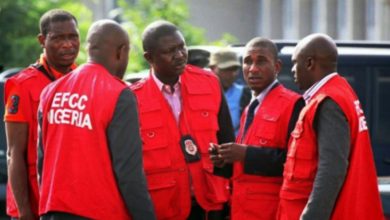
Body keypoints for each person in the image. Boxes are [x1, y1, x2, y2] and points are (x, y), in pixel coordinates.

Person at [37, 20, 156, 220]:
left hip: (52, 210)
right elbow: (128, 172)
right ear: (121, 51)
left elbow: (42, 161)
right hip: (100, 212)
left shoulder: (51, 91)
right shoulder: (119, 94)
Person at [130, 20, 235, 220]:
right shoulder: (133, 98)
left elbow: (227, 142)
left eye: (182, 47)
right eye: (170, 51)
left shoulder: (209, 82)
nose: (179, 55)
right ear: (149, 57)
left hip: (210, 205)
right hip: (164, 208)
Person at [278, 33, 384, 220]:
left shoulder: (328, 101)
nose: (293, 70)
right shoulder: (340, 92)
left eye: (296, 63)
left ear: (310, 63)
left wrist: (311, 217)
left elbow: (331, 169)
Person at [209, 37, 304, 220]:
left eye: (261, 61)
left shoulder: (293, 104)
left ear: (276, 67)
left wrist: (245, 154)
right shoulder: (251, 107)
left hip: (271, 211)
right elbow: (243, 167)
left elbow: (296, 165)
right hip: (241, 210)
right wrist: (224, 160)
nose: (252, 69)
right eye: (247, 62)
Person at [4, 9, 79, 219]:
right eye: (58, 38)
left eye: (73, 37)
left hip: (70, 204)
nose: (67, 44)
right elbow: (14, 154)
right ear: (42, 40)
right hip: (34, 205)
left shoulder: (82, 80)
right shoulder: (22, 85)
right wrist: (25, 212)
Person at [209, 48, 251, 135]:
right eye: (226, 70)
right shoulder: (199, 94)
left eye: (234, 69)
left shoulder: (245, 94)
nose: (232, 74)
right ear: (212, 69)